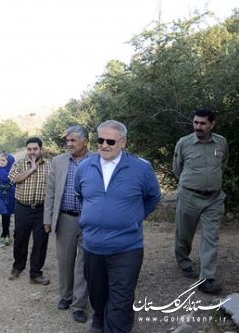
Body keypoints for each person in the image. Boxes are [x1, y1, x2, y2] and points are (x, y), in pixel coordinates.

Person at [74, 120, 161, 333]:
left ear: (123, 142)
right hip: (92, 245)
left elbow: (153, 197)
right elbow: (80, 195)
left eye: (110, 141)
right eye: (100, 140)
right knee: (98, 293)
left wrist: (134, 217)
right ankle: (99, 319)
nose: (104, 145)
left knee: (121, 298)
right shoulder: (85, 166)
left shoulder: (141, 168)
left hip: (126, 248)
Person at [173, 108, 228, 294]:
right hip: (189, 196)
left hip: (213, 198)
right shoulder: (184, 143)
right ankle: (183, 260)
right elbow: (177, 168)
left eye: (203, 123)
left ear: (212, 124)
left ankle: (207, 278)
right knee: (184, 234)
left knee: (211, 237)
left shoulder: (221, 143)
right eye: (196, 122)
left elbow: (223, 164)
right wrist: (191, 184)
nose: (198, 126)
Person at [43, 125, 92, 323]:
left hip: (90, 220)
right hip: (65, 219)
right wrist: (47, 219)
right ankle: (66, 296)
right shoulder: (58, 161)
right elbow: (51, 192)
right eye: (68, 140)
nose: (69, 144)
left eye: (73, 140)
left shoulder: (96, 160)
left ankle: (79, 304)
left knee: (84, 263)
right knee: (65, 261)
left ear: (85, 142)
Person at [8, 137, 51, 285]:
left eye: (35, 149)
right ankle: (17, 267)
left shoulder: (49, 166)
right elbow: (14, 179)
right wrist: (32, 169)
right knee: (20, 238)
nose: (32, 152)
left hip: (41, 210)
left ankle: (36, 274)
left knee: (41, 241)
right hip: (22, 208)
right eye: (29, 149)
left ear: (41, 149)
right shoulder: (19, 164)